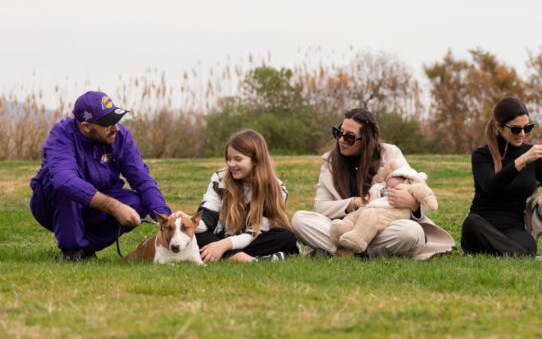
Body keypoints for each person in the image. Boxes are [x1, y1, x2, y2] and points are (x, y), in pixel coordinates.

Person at [290, 108, 454, 259]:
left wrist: (413, 204)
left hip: (382, 228)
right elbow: (321, 206)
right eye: (339, 133)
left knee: (412, 232)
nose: (341, 140)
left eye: (349, 137)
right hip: (344, 227)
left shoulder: (390, 153)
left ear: (366, 140)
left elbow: (419, 191)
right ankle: (365, 252)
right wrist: (355, 202)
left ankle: (346, 251)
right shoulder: (330, 161)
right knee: (300, 220)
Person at [30, 90, 171, 262]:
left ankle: (86, 249)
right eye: (107, 124)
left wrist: (164, 216)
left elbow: (142, 178)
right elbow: (64, 181)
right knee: (64, 186)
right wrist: (114, 207)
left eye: (116, 121)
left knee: (137, 202)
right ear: (86, 126)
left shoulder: (121, 136)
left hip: (95, 203)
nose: (115, 128)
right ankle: (71, 251)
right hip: (52, 207)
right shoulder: (62, 135)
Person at [460, 97, 542, 257]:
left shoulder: (534, 156)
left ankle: (504, 251)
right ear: (499, 126)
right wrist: (522, 160)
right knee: (471, 223)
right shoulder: (481, 155)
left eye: (527, 128)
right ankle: (517, 253)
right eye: (516, 129)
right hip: (482, 225)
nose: (522, 134)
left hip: (513, 228)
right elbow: (491, 187)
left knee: (529, 244)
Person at [196, 129, 299, 263]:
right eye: (228, 159)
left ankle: (227, 255)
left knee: (287, 238)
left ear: (255, 160)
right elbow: (207, 217)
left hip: (255, 239)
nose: (231, 164)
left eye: (238, 159)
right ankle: (243, 258)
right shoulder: (219, 178)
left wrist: (225, 245)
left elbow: (256, 232)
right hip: (222, 237)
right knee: (194, 234)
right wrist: (185, 222)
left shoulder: (276, 189)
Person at [329, 162, 438, 253]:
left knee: (410, 233)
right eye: (386, 186)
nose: (387, 189)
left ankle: (356, 242)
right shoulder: (381, 187)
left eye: (392, 187)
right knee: (355, 215)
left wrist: (412, 203)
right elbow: (376, 184)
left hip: (387, 219)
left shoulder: (408, 182)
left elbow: (424, 194)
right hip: (368, 209)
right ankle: (343, 232)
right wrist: (357, 202)